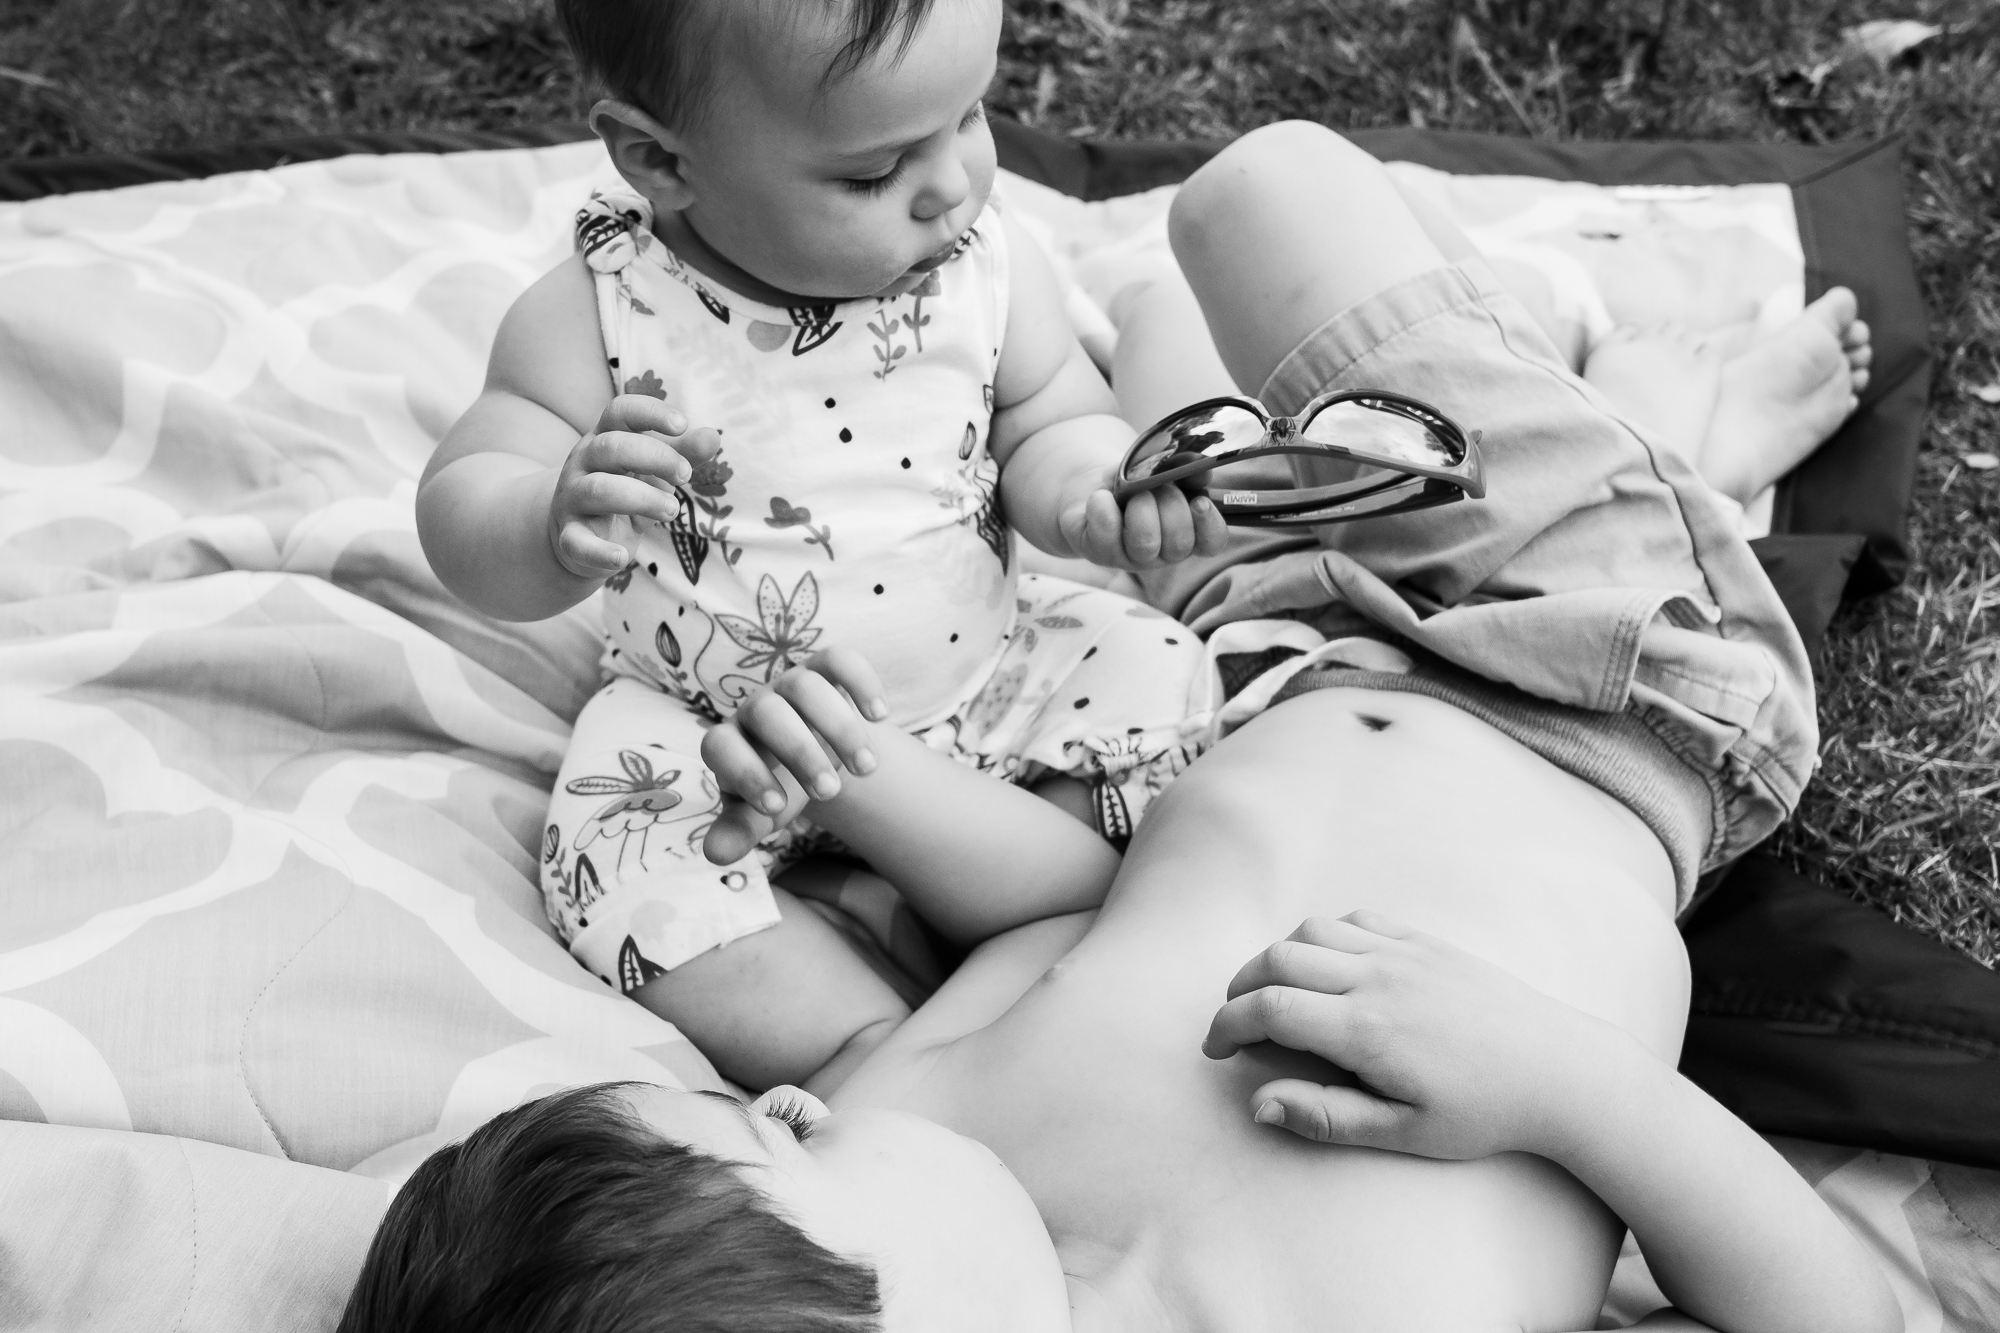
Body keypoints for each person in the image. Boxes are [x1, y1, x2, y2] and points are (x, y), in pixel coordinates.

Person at [344, 106, 1894, 1333]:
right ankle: (1668, 432)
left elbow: (1079, 907)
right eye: (781, 1143)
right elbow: (1851, 1317)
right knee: (1266, 196)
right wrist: (1560, 1082)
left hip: (1255, 671)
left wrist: (869, 785)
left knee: (1169, 333)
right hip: (1611, 688)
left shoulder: (921, 1114)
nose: (797, 1094)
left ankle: (1603, 418)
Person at [415, 0, 1233, 1093]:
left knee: (1162, 677)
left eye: (969, 118)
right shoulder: (601, 313)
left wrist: (1089, 491)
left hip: (986, 680)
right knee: (609, 861)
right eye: (872, 173)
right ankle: (857, 1043)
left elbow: (1050, 417)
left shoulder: (981, 267)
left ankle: (1014, 887)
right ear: (662, 161)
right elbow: (466, 494)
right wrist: (540, 521)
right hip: (715, 735)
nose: (951, 184)